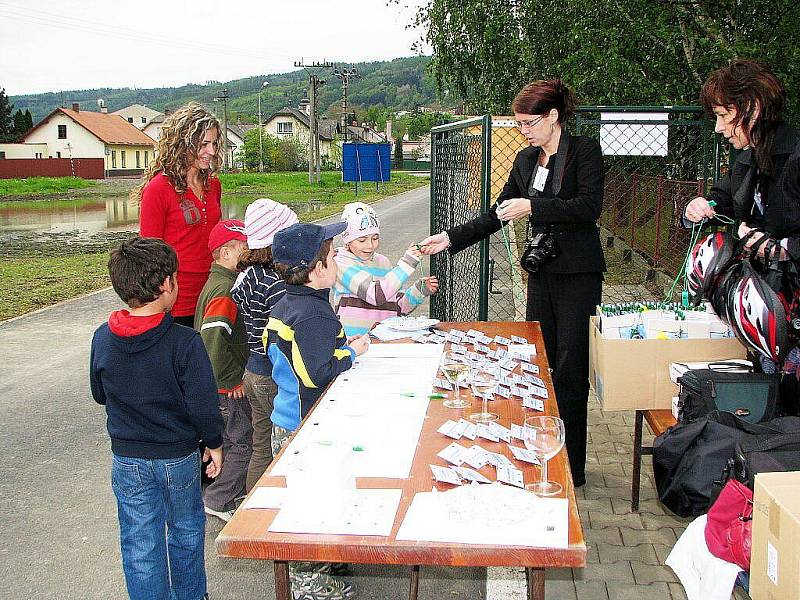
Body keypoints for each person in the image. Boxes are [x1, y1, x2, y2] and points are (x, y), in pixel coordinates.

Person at [420, 79, 605, 486]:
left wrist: (534, 205)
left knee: (572, 371)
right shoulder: (524, 160)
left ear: (554, 116)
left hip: (577, 275)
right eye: (519, 123)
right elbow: (497, 213)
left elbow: (589, 207)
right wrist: (452, 238)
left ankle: (571, 466)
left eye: (529, 122)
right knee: (539, 365)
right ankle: (543, 450)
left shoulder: (585, 151)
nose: (524, 130)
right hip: (541, 274)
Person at [90, 236, 223, 600]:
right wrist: (214, 443)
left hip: (128, 458)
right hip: (177, 457)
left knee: (139, 541)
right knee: (185, 532)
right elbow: (203, 405)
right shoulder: (184, 342)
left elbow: (99, 393)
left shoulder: (103, 338)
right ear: (167, 284)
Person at [683, 59, 800, 412]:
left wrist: (784, 248)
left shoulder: (795, 155)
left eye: (723, 115)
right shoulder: (748, 158)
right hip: (768, 309)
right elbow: (728, 200)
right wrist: (701, 204)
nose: (719, 128)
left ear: (752, 107)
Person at [265, 222, 369, 599]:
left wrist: (339, 345)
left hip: (289, 417)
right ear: (317, 270)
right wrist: (351, 352)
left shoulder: (290, 302)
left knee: (319, 495)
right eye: (332, 256)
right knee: (310, 505)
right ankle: (309, 583)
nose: (338, 261)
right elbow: (315, 373)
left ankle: (328, 555)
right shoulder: (313, 314)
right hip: (304, 425)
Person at [231, 199, 299, 492]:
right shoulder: (275, 282)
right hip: (273, 373)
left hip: (252, 369)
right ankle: (273, 502)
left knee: (261, 440)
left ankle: (251, 505)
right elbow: (283, 330)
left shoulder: (247, 276)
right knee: (284, 440)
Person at [136, 102, 224, 327]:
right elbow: (149, 255)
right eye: (203, 144)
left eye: (214, 143)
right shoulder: (157, 189)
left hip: (212, 293)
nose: (211, 151)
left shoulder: (213, 186)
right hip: (176, 302)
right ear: (182, 143)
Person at [194, 219, 252, 522]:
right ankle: (219, 498)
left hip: (217, 384)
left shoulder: (216, 284)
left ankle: (225, 491)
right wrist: (230, 380)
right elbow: (214, 338)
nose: (250, 254)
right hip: (227, 386)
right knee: (243, 442)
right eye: (245, 249)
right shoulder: (225, 290)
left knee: (231, 440)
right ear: (226, 253)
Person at [332, 201, 440, 336]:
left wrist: (419, 290)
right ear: (347, 241)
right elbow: (375, 295)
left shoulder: (383, 262)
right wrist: (406, 264)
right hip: (354, 343)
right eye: (362, 240)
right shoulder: (340, 263)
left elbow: (398, 307)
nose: (370, 245)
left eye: (375, 238)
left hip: (385, 338)